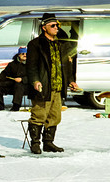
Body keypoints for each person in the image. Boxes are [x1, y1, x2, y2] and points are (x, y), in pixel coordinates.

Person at [26, 13, 79, 154]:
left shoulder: (61, 44)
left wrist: (71, 81)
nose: (57, 28)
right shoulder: (35, 44)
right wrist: (35, 81)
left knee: (55, 116)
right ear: (44, 28)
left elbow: (66, 67)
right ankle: (35, 143)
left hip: (58, 86)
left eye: (57, 25)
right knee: (39, 115)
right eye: (53, 26)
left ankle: (48, 143)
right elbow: (31, 66)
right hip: (43, 86)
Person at [0, 46, 27, 111]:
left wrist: (22, 79)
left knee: (19, 85)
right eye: (23, 54)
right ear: (19, 55)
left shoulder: (30, 64)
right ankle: (0, 105)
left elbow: (32, 77)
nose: (25, 55)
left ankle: (16, 106)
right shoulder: (12, 64)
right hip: (12, 84)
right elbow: (5, 73)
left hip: (25, 85)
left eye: (26, 54)